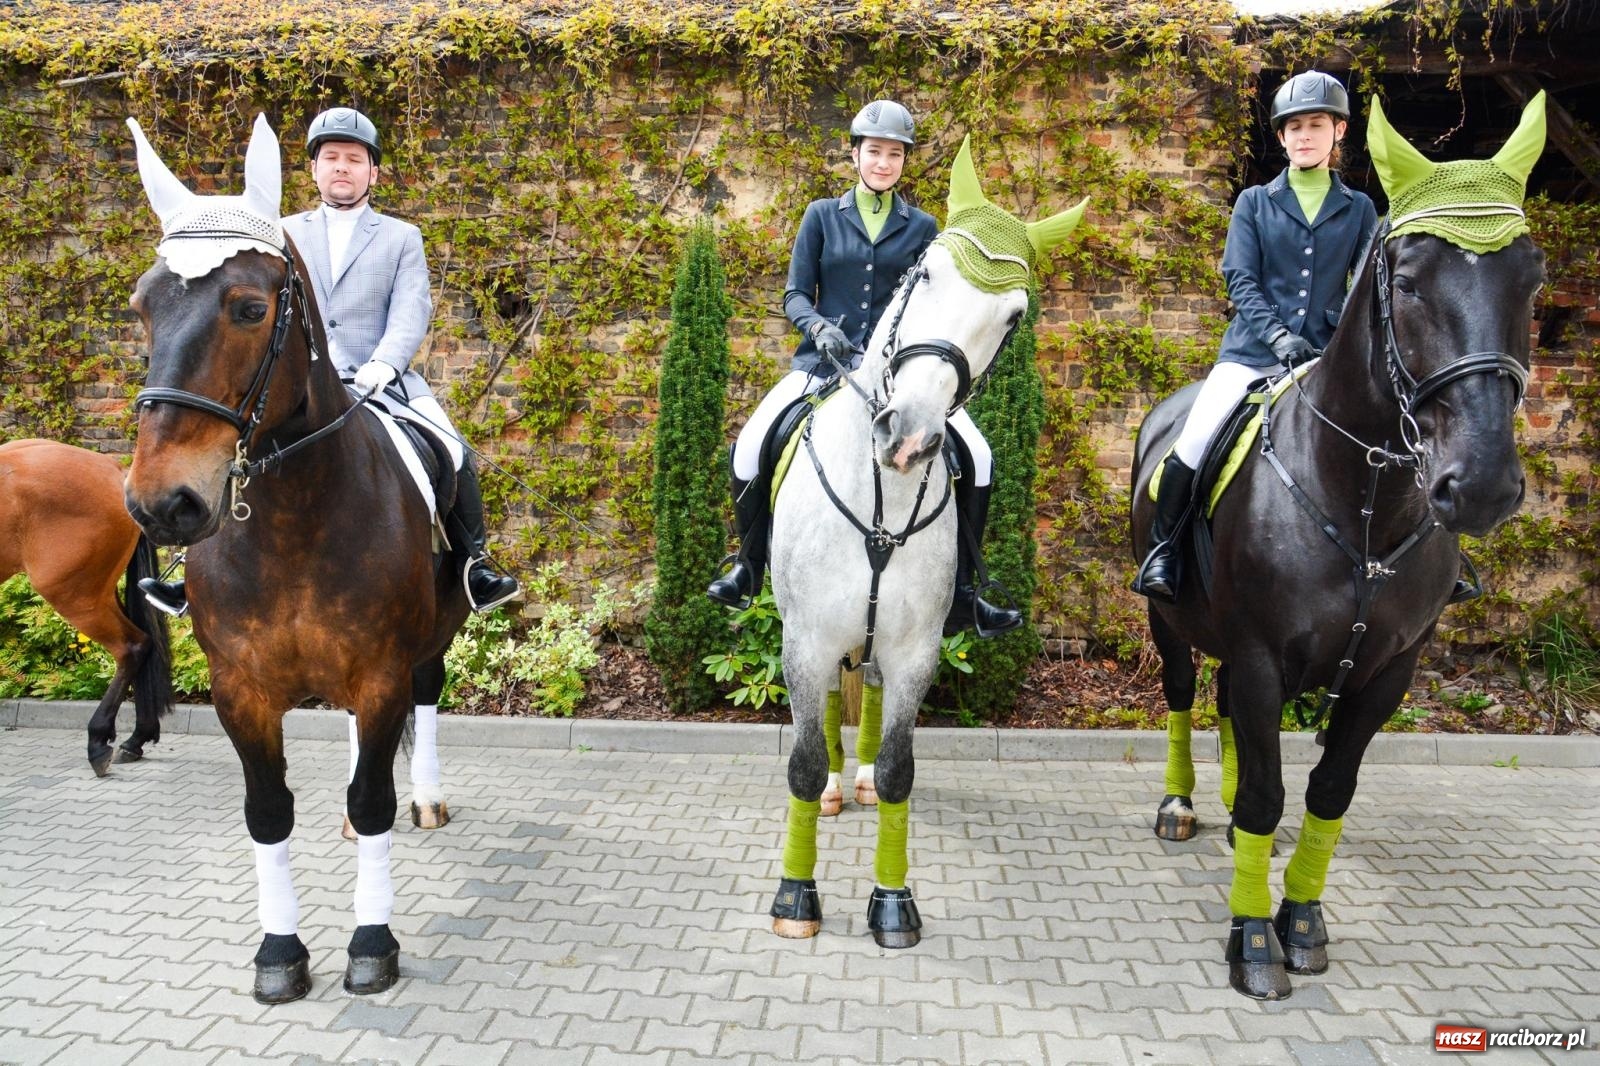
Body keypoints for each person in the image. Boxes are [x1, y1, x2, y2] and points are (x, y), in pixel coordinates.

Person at [140, 107, 519, 616]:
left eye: (355, 159)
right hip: (301, 380)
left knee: (451, 449)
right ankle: (188, 574)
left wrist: (385, 363)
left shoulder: (401, 237)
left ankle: (476, 565)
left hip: (384, 381)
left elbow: (412, 309)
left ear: (373, 173)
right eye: (332, 158)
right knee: (237, 446)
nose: (343, 167)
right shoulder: (276, 232)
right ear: (315, 170)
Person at [705, 100, 1021, 637]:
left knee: (981, 457)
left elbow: (935, 302)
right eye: (874, 151)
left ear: (903, 162)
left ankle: (967, 591)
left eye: (894, 154)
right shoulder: (821, 215)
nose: (883, 162)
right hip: (822, 365)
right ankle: (748, 565)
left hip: (902, 377)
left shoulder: (922, 227)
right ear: (855, 154)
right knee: (751, 444)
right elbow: (795, 294)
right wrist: (818, 326)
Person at [1132, 71, 1378, 602]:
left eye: (1316, 124)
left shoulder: (1360, 210)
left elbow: (1363, 282)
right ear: (1283, 136)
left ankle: (1433, 559)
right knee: (1195, 441)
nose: (1304, 135)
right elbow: (1240, 279)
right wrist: (1279, 338)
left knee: (1399, 431)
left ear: (1338, 131)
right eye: (1294, 127)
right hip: (1251, 354)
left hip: (1327, 359)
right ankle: (1163, 551)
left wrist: (1334, 329)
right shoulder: (1254, 202)